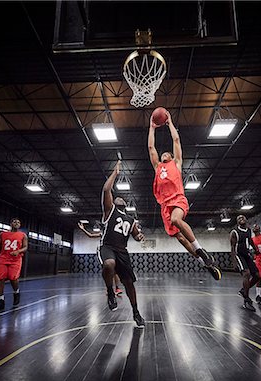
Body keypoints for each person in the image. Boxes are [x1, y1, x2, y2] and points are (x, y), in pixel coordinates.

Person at [148, 110, 222, 280]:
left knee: (176, 220)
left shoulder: (177, 163)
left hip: (178, 199)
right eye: (163, 153)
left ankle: (200, 249)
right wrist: (152, 128)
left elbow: (176, 140)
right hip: (165, 205)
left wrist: (170, 123)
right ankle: (204, 262)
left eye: (167, 153)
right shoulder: (157, 167)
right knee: (179, 238)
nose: (164, 154)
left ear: (172, 156)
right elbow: (151, 147)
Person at [97, 160, 145, 327]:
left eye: (121, 198)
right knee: (109, 264)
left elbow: (136, 235)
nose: (118, 197)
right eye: (116, 197)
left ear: (125, 205)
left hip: (122, 251)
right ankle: (110, 291)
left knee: (129, 284)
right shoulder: (109, 211)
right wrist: (115, 173)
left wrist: (139, 237)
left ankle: (136, 312)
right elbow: (106, 189)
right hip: (107, 247)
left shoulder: (131, 220)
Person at [77, 221, 123, 296]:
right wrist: (83, 229)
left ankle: (117, 288)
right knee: (108, 271)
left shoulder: (114, 235)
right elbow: (90, 235)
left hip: (112, 252)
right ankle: (109, 289)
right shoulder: (103, 234)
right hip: (103, 252)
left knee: (115, 272)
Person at [0, 218, 28, 312]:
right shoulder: (3, 234)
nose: (16, 223)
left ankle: (16, 292)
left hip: (15, 260)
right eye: (14, 221)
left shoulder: (23, 235)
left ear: (20, 225)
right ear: (11, 223)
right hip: (3, 259)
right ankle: (1, 301)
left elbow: (25, 247)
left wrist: (18, 251)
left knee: (13, 278)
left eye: (18, 222)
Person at [230, 215, 260, 311]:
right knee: (246, 274)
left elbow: (250, 241)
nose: (241, 218)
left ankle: (244, 290)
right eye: (239, 218)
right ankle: (246, 300)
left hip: (247, 255)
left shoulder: (248, 230)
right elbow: (232, 248)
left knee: (257, 275)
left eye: (243, 217)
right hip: (239, 255)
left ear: (246, 220)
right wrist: (234, 262)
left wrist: (255, 249)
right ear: (237, 222)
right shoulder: (234, 232)